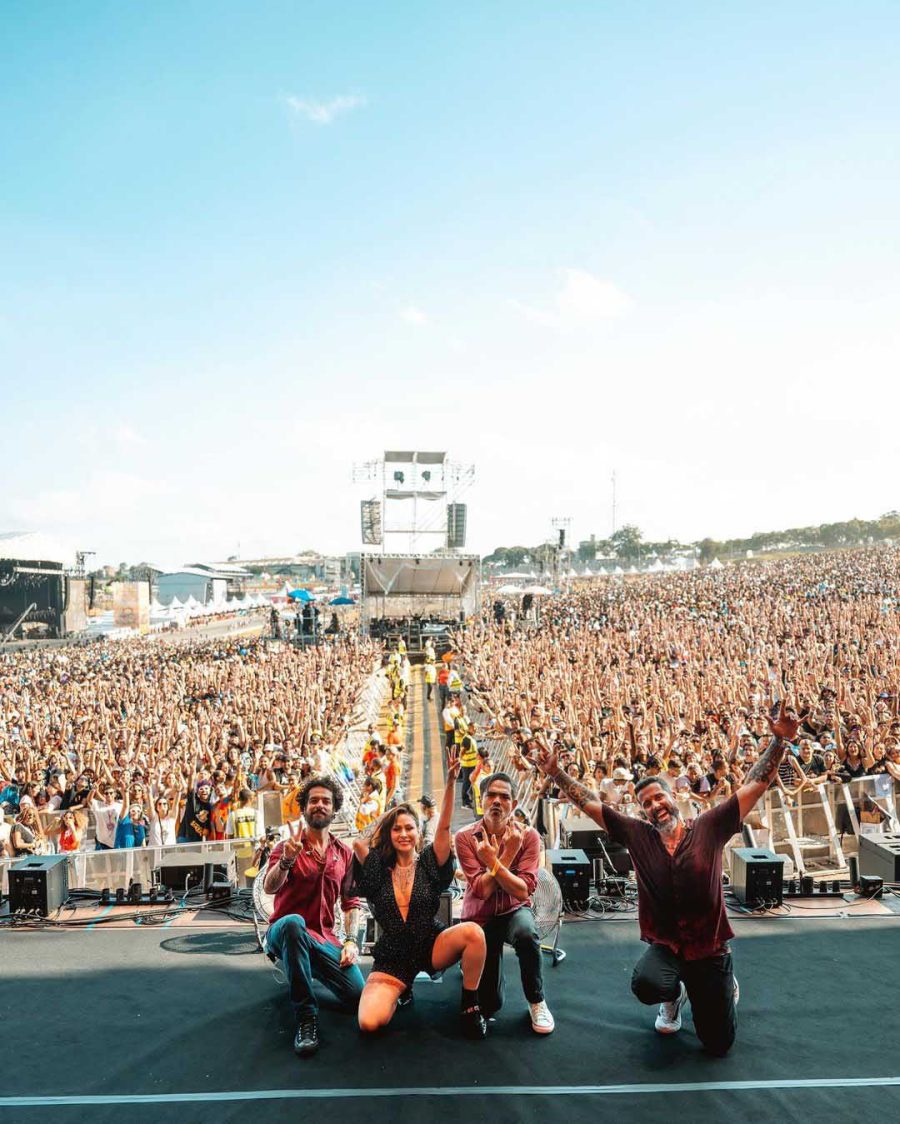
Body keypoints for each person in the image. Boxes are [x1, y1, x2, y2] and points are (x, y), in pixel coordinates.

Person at [537, 701, 803, 1056]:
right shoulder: (637, 834)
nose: (655, 805)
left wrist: (780, 742)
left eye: (659, 796)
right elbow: (589, 804)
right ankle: (674, 996)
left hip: (709, 949)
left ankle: (721, 985)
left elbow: (754, 784)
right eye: (646, 803)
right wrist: (557, 774)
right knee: (646, 984)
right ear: (641, 810)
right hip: (668, 948)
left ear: (673, 796)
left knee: (718, 1045)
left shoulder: (710, 826)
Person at [352, 749, 488, 1039]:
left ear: (418, 831)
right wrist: (390, 815)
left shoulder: (428, 861)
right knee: (369, 1023)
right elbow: (358, 843)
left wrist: (451, 783)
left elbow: (445, 827)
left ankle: (470, 1005)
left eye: (409, 828)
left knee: (474, 933)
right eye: (397, 829)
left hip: (431, 943)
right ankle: (403, 990)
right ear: (389, 833)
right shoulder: (377, 867)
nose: (403, 833)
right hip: (392, 955)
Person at [263, 776, 364, 1057]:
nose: (320, 805)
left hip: (322, 938)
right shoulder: (287, 847)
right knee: (295, 923)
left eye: (326, 801)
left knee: (358, 997)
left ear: (335, 809)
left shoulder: (344, 853)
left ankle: (306, 968)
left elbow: (351, 903)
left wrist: (351, 941)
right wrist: (287, 860)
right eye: (314, 800)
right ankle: (307, 1018)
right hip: (284, 931)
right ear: (304, 808)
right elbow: (270, 887)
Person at [454, 771, 555, 1035]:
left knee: (526, 934)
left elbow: (523, 891)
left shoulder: (530, 836)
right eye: (491, 795)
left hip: (513, 909)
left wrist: (495, 861)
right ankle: (471, 962)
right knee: (490, 1005)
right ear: (482, 799)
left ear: (514, 803)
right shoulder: (464, 838)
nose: (497, 801)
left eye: (505, 796)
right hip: (480, 916)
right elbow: (482, 890)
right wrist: (508, 855)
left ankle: (537, 1000)